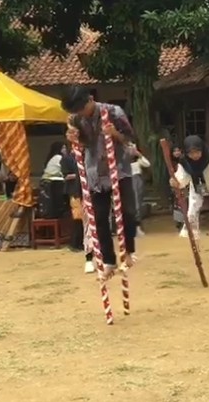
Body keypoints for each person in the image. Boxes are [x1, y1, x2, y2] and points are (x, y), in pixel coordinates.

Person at [62, 85, 137, 278]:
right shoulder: (76, 119)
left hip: (118, 169)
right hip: (95, 172)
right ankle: (109, 260)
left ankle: (128, 250)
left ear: (90, 99)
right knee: (99, 218)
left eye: (81, 108)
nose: (79, 113)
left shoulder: (113, 112)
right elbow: (81, 144)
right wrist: (73, 139)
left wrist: (115, 134)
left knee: (128, 212)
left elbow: (129, 138)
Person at [60, 144, 86, 259]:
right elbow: (65, 176)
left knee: (82, 218)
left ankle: (81, 242)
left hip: (81, 190)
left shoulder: (82, 158)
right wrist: (79, 174)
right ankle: (75, 243)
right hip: (73, 191)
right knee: (77, 217)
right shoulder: (66, 159)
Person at [129, 142, 150, 236]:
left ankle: (137, 227)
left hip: (137, 181)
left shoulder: (138, 161)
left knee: (137, 204)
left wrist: (138, 154)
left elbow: (147, 164)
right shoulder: (122, 161)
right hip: (127, 181)